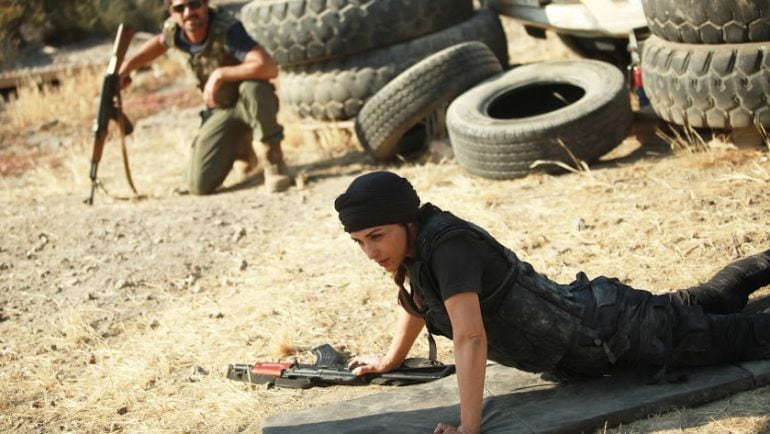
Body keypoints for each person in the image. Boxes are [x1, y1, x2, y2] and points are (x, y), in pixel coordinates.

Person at [333, 170, 770, 434]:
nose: (370, 252)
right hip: (598, 324)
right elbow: (417, 303)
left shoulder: (448, 245)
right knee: (712, 298)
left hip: (617, 334)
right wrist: (391, 360)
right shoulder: (414, 249)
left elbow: (469, 336)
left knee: (752, 334)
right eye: (358, 242)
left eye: (376, 236)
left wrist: (470, 427)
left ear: (407, 221)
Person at [119, 0, 292, 194]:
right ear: (172, 12)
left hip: (248, 103)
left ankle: (274, 164)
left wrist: (221, 74)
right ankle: (241, 148)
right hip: (221, 110)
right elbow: (161, 42)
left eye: (194, 5)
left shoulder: (227, 30)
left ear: (205, 4)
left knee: (255, 89)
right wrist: (126, 67)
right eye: (180, 8)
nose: (188, 13)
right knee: (198, 185)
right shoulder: (176, 31)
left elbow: (268, 67)